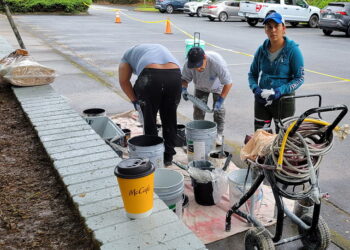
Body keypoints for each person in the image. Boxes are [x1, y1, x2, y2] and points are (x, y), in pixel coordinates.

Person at [118, 44, 182, 166]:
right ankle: (168, 156)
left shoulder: (126, 56)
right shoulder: (155, 49)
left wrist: (135, 101)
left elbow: (123, 81)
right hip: (174, 75)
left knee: (149, 119)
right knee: (170, 118)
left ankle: (153, 154)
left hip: (151, 76)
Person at [248, 12, 304, 132]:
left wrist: (280, 91)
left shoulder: (293, 50)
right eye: (269, 27)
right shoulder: (261, 50)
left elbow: (299, 78)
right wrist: (255, 89)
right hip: (262, 100)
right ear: (265, 30)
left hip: (284, 101)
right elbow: (252, 74)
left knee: (283, 140)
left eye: (276, 26)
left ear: (283, 29)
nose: (273, 30)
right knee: (261, 136)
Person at [181, 47, 233, 145]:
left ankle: (218, 134)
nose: (198, 69)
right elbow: (184, 79)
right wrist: (183, 89)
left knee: (219, 110)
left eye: (200, 66)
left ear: (205, 57)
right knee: (198, 109)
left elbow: (228, 83)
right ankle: (198, 131)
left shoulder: (217, 62)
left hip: (218, 86)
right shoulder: (188, 64)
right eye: (195, 67)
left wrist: (221, 99)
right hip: (200, 85)